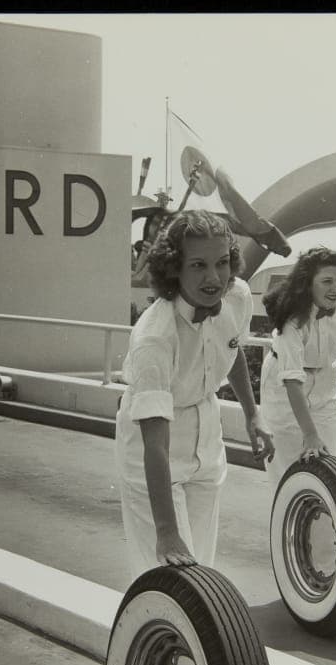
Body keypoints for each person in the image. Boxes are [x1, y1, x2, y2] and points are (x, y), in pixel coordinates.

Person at [116, 210, 275, 579]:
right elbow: (155, 444)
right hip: (152, 449)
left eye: (222, 263)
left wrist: (253, 414)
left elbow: (230, 349)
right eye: (198, 265)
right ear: (174, 268)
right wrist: (166, 532)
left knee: (202, 568)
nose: (213, 277)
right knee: (165, 576)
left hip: (207, 432)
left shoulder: (237, 297)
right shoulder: (154, 338)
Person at [259, 246, 336, 489]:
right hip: (283, 389)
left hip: (325, 384)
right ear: (308, 284)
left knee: (326, 470)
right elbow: (292, 382)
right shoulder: (292, 319)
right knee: (285, 474)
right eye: (327, 281)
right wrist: (309, 434)